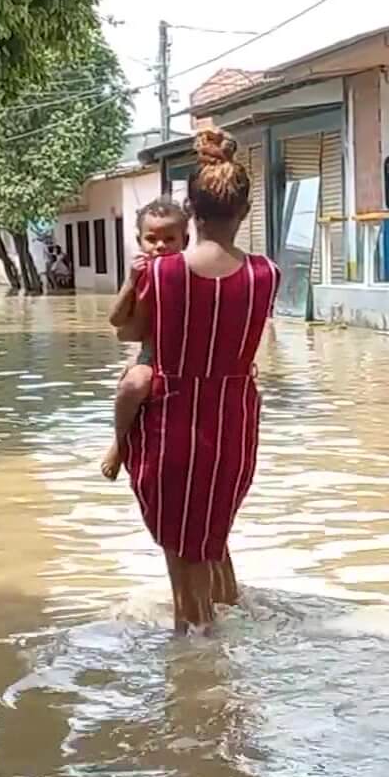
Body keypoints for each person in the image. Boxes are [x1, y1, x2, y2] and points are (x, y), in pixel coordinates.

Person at [116, 128, 279, 634]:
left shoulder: (160, 275)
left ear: (192, 212)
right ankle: (217, 645)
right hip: (234, 421)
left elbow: (132, 334)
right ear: (245, 212)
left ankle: (191, 672)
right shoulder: (266, 273)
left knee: (178, 555)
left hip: (172, 421)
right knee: (211, 533)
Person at [100, 197, 188, 481]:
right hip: (152, 356)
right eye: (152, 239)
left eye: (169, 239)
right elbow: (116, 320)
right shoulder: (142, 274)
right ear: (140, 241)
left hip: (191, 357)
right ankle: (119, 443)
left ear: (185, 240)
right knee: (132, 385)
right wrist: (130, 281)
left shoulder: (193, 271)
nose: (160, 246)